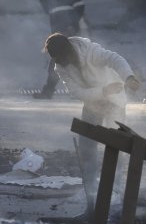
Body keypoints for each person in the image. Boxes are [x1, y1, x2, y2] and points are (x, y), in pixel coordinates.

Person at [42, 33, 140, 214]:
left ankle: (116, 191)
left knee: (116, 145)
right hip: (93, 103)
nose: (60, 63)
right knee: (87, 148)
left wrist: (128, 77)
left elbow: (115, 59)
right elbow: (77, 92)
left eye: (62, 58)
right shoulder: (60, 66)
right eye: (57, 60)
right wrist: (102, 91)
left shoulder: (90, 51)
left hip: (113, 101)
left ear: (68, 51)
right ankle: (90, 194)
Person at [33, 0, 85, 99]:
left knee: (61, 62)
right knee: (67, 61)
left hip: (68, 32)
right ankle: (89, 89)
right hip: (58, 33)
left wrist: (72, 25)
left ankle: (48, 92)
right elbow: (45, 8)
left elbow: (80, 5)